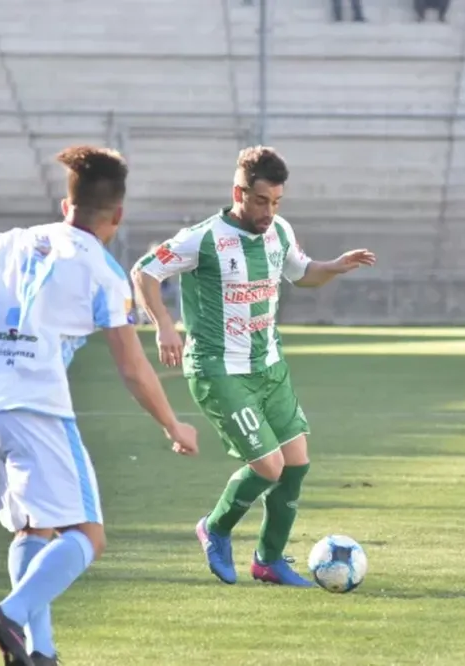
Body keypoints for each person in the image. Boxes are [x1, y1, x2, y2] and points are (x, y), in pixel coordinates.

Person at [0, 145, 199, 666]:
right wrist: (173, 424)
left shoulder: (12, 242)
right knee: (88, 537)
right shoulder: (104, 273)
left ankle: (39, 652)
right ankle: (9, 613)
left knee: (35, 529)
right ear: (116, 216)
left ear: (64, 203)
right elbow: (132, 366)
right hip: (36, 411)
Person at [131, 146, 376, 587]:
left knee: (296, 463)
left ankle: (269, 560)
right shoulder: (202, 238)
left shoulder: (279, 231)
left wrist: (335, 267)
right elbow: (145, 272)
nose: (269, 211)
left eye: (277, 202)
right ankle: (215, 528)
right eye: (261, 201)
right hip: (218, 369)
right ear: (238, 192)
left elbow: (303, 274)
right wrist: (163, 325)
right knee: (269, 467)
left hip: (269, 366)